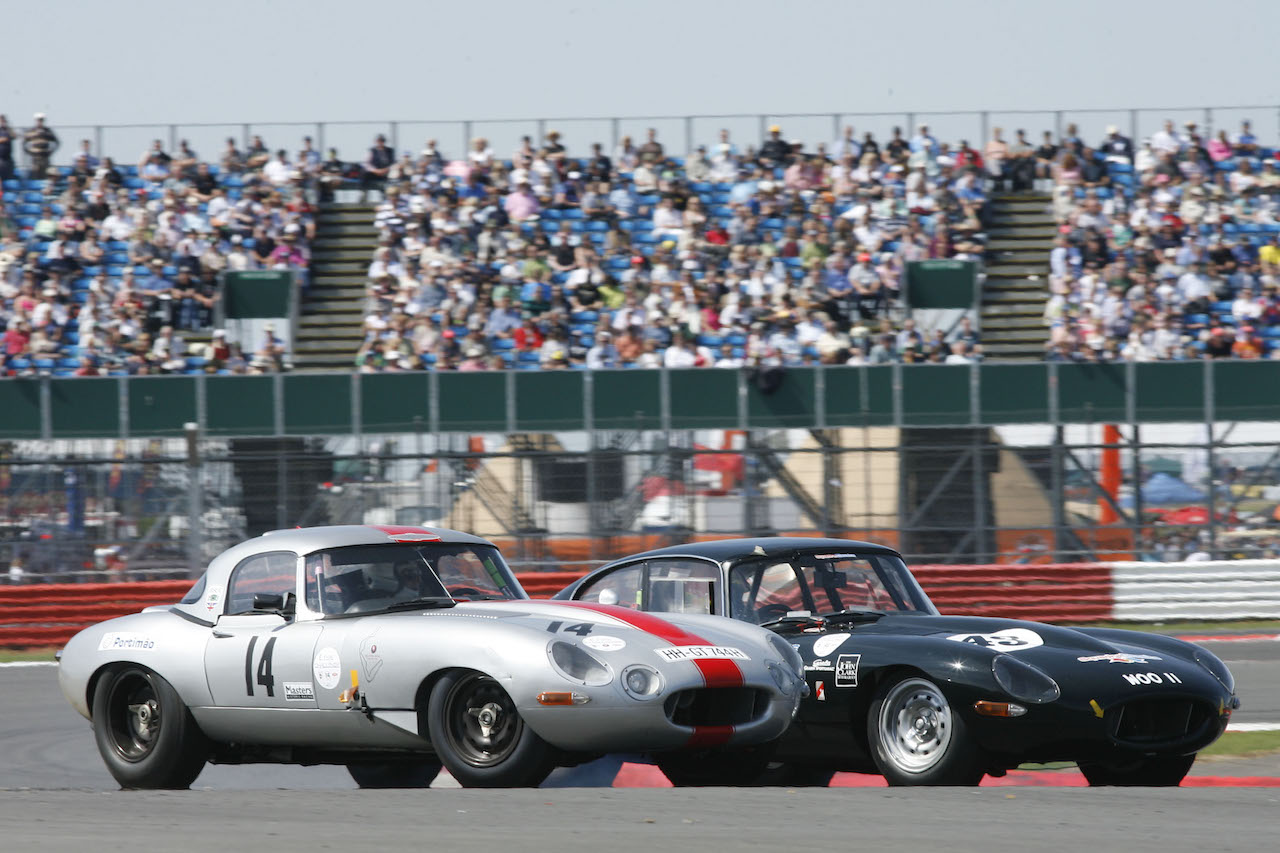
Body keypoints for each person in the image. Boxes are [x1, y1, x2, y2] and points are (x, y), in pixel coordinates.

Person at [22, 113, 59, 178]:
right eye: (38, 120)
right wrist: (30, 152)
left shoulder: (48, 131)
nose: (40, 122)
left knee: (46, 174)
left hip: (45, 158)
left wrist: (50, 151)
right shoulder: (31, 131)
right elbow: (24, 143)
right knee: (35, 174)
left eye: (41, 120)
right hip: (35, 158)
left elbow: (57, 142)